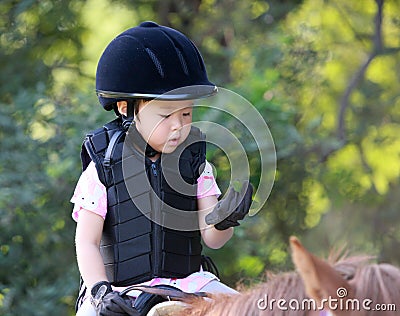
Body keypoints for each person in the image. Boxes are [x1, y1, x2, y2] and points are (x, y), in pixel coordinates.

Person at [71, 21, 253, 316]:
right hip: (119, 292)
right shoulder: (102, 166)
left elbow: (213, 240)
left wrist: (224, 218)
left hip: (189, 284)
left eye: (186, 113)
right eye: (166, 115)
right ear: (125, 108)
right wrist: (100, 291)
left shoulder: (195, 163)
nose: (179, 126)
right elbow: (86, 241)